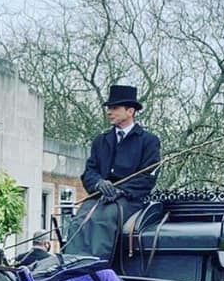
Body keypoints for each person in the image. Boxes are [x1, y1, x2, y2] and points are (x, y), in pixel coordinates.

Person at [63, 84, 161, 261]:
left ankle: (96, 265)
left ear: (130, 111)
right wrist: (99, 184)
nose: (109, 112)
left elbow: (147, 178)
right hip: (100, 196)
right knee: (80, 219)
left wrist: (119, 190)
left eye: (114, 108)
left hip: (129, 200)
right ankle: (72, 262)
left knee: (103, 219)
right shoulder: (101, 141)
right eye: (109, 108)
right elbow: (89, 171)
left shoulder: (148, 141)